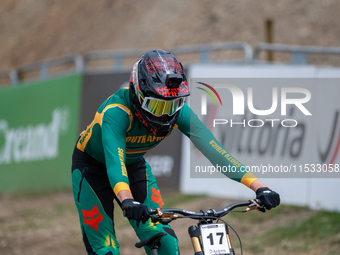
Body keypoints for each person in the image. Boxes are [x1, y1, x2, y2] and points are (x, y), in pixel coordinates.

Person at [71, 50, 280, 255]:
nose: (165, 115)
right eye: (156, 106)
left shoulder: (178, 112)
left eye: (173, 105)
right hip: (92, 168)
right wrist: (127, 200)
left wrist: (260, 187)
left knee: (166, 242)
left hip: (133, 165)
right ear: (137, 94)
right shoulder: (116, 113)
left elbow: (216, 152)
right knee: (105, 248)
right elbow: (114, 163)